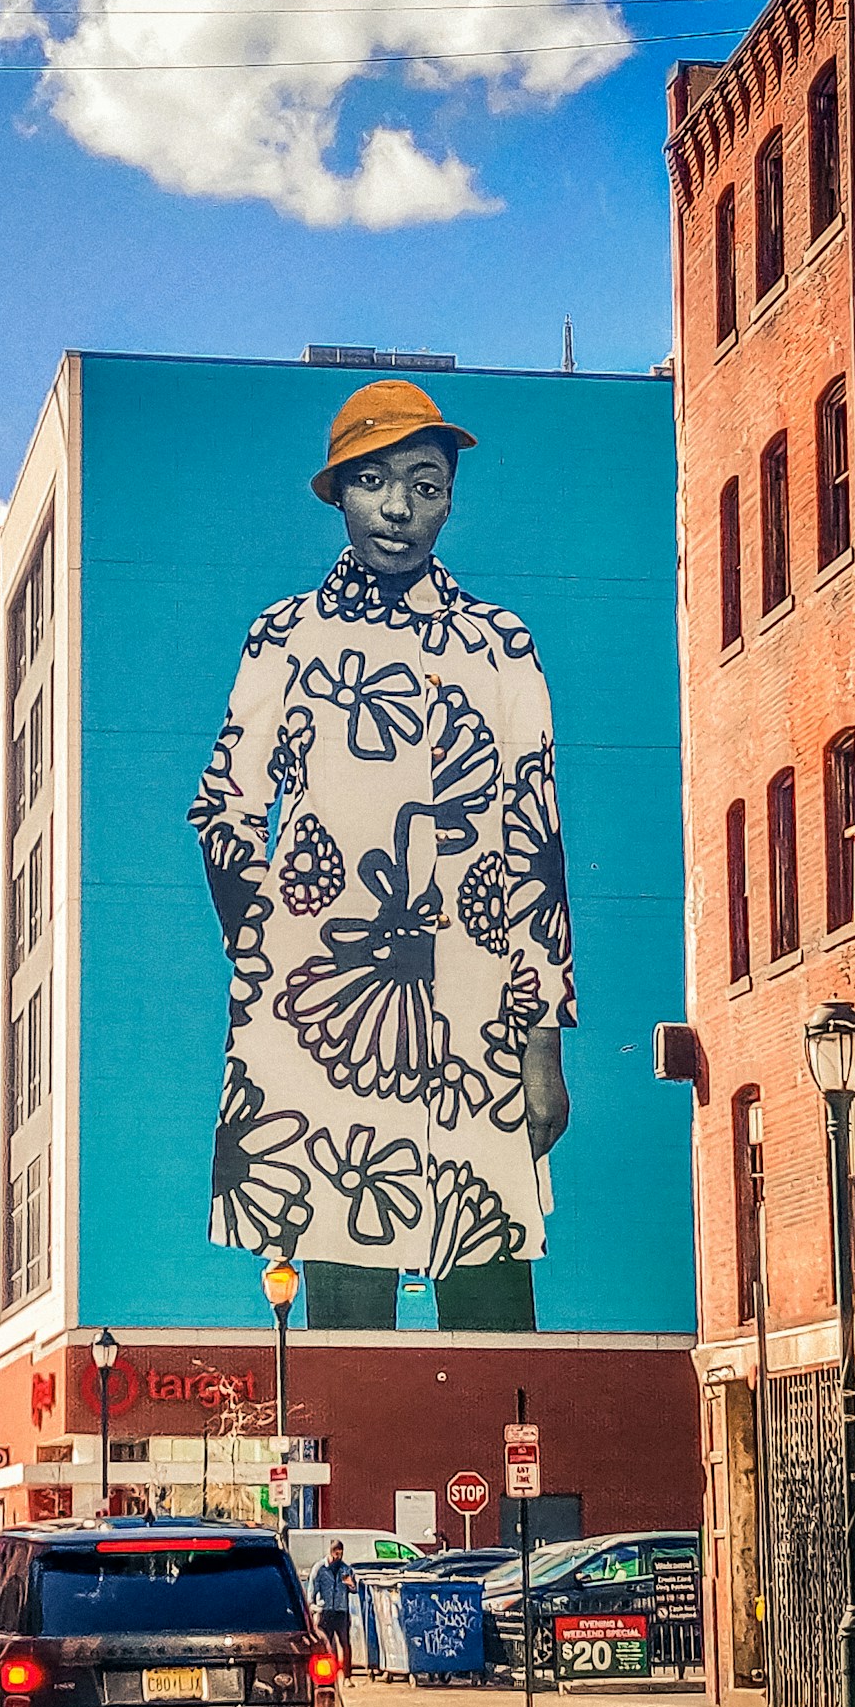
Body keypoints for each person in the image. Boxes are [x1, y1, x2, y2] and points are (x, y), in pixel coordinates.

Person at [191, 380, 573, 1325]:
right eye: (373, 481)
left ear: (449, 501)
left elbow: (534, 841)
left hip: (478, 1014)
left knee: (493, 1302)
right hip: (330, 1015)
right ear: (338, 494)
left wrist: (543, 1040)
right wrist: (272, 947)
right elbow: (225, 808)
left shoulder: (502, 646)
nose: (399, 508)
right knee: (345, 1305)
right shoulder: (286, 637)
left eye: (426, 485)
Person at [308, 1538, 358, 1677]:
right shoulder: (320, 1568)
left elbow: (354, 1590)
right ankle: (327, 1675)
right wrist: (312, 1608)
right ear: (331, 1552)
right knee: (325, 1645)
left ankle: (347, 1676)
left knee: (345, 1644)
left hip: (341, 1611)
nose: (339, 1557)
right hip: (325, 1610)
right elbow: (312, 1589)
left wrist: (351, 1584)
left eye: (341, 1553)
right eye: (336, 1553)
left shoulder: (345, 1569)